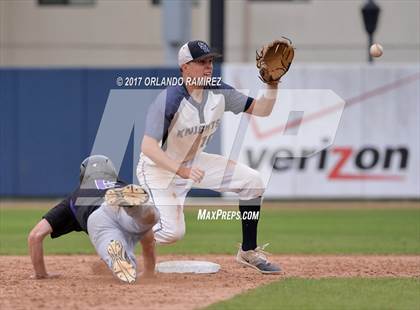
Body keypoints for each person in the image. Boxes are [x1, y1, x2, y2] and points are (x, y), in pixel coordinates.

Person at [137, 40, 292, 274]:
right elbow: (148, 147)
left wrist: (273, 85)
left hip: (194, 162)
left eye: (210, 61)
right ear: (185, 67)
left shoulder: (220, 91)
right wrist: (181, 171)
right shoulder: (169, 100)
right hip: (159, 170)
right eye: (201, 62)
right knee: (171, 233)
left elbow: (262, 110)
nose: (208, 66)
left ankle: (248, 251)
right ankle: (121, 231)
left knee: (253, 182)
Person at [28, 155, 159, 283]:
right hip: (120, 207)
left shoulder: (75, 197)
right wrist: (149, 270)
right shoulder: (120, 184)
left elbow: (35, 236)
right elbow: (148, 239)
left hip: (98, 217)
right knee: (147, 218)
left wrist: (41, 274)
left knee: (124, 267)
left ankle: (119, 258)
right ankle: (141, 209)